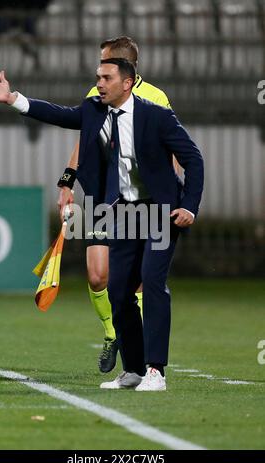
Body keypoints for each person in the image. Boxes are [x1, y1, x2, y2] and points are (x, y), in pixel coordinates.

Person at [0, 59, 203, 391]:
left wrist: (189, 206)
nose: (98, 82)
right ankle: (134, 370)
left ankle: (157, 371)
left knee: (152, 282)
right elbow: (59, 114)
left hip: (159, 211)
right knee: (117, 290)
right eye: (98, 76)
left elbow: (191, 157)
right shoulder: (95, 109)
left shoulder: (156, 113)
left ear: (127, 83)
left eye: (106, 77)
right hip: (120, 211)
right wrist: (14, 99)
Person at [57, 36, 180, 374]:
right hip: (100, 195)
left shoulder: (156, 98)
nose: (99, 76)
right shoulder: (96, 95)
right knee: (98, 276)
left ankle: (134, 348)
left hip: (140, 199)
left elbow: (170, 145)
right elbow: (85, 139)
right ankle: (112, 333)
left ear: (123, 66)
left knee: (134, 280)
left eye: (104, 65)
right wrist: (67, 181)